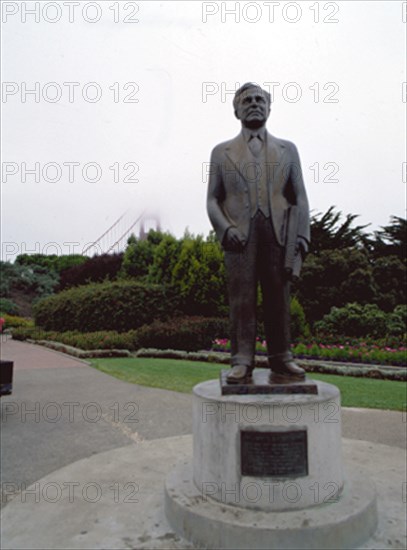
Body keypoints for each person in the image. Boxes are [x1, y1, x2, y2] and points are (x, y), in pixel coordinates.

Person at [207, 82, 310, 384]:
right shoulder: (221, 153)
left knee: (279, 296)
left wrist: (301, 238)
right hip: (240, 236)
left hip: (278, 233)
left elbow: (300, 197)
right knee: (242, 298)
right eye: (247, 100)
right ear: (236, 110)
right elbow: (212, 199)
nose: (254, 104)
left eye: (260, 100)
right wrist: (225, 229)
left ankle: (282, 358)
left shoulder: (288, 150)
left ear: (269, 107)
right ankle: (241, 360)